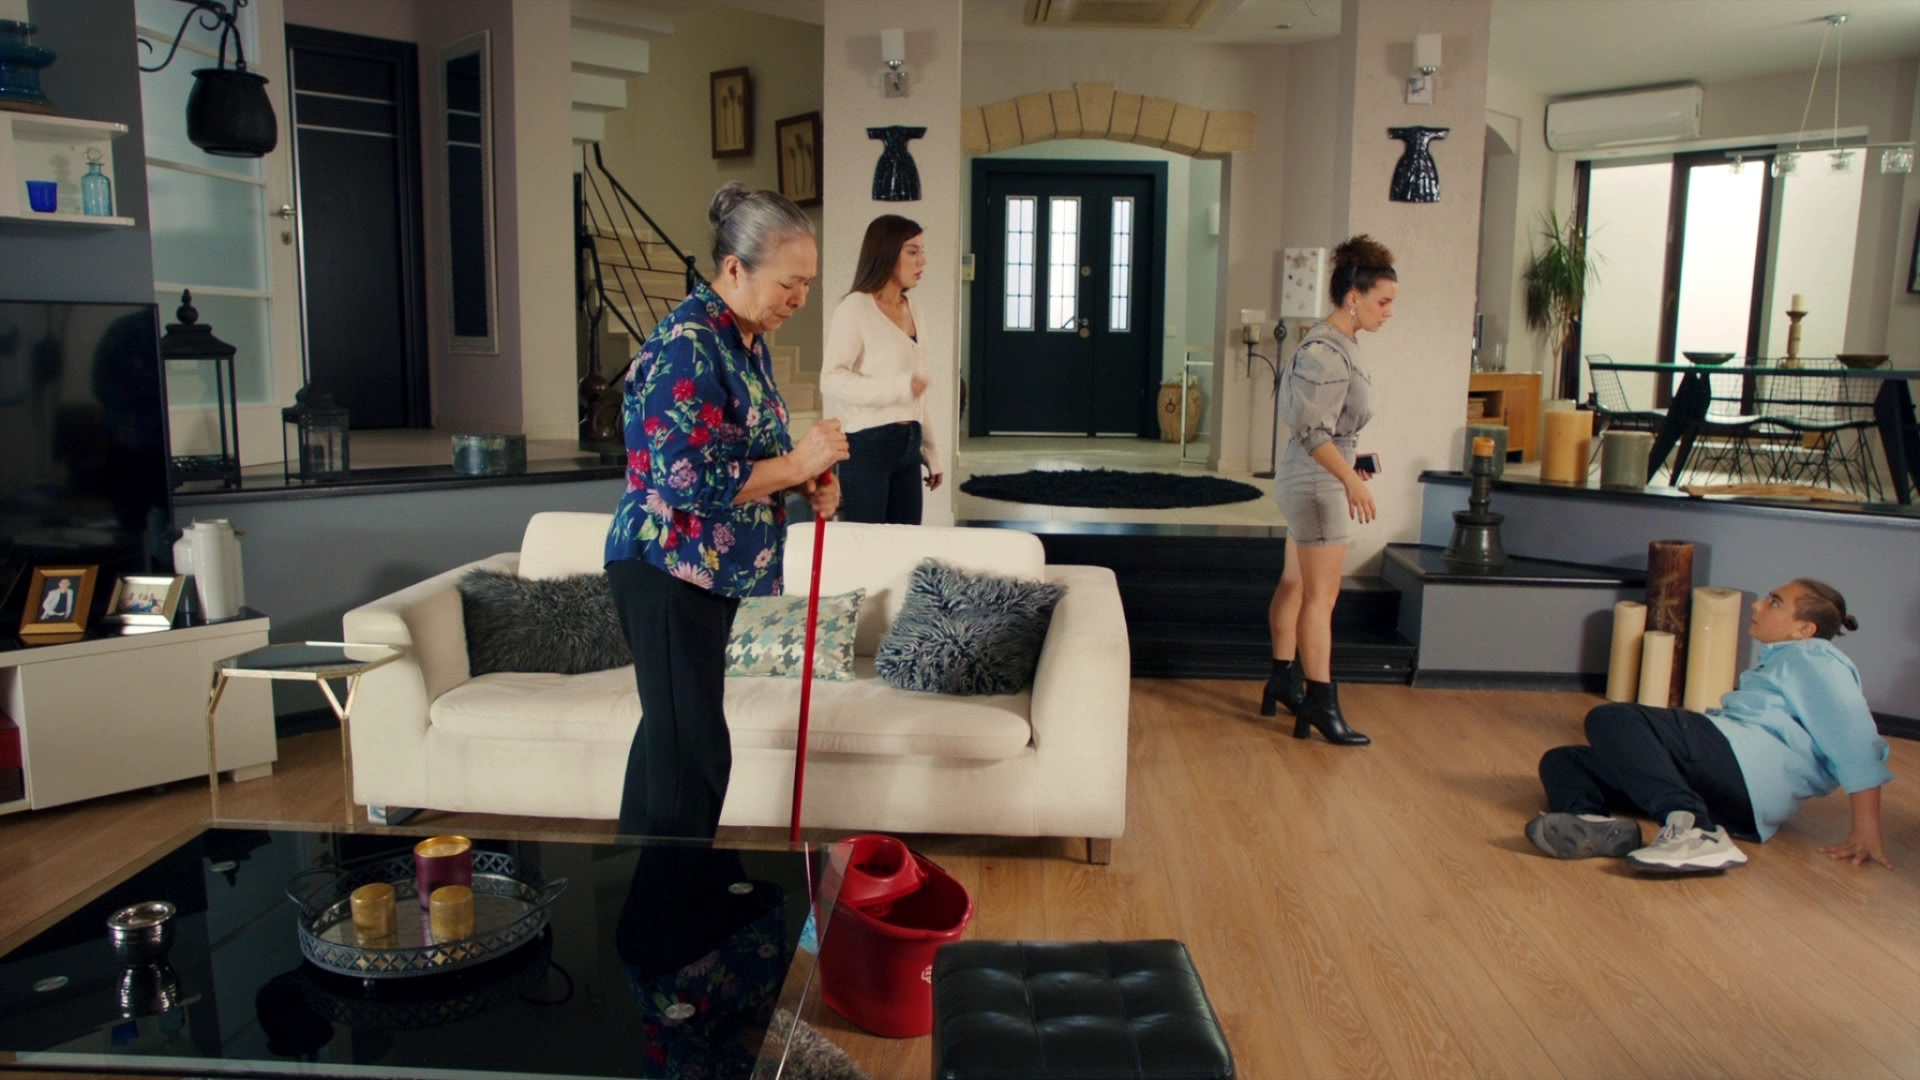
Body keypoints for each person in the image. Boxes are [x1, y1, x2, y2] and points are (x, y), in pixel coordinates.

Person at [603, 180, 850, 840]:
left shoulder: (744, 339)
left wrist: (802, 482)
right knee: (695, 758)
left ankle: (642, 890)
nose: (799, 300)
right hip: (664, 568)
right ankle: (675, 900)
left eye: (807, 284)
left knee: (670, 746)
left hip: (703, 572)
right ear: (735, 269)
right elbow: (684, 477)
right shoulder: (687, 343)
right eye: (789, 283)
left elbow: (742, 457)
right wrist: (794, 465)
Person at [1528, 579, 1894, 874]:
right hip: (1736, 800)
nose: (1758, 606)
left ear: (1804, 629)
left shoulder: (1815, 657)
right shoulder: (1785, 660)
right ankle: (1591, 823)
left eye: (1774, 602)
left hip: (1742, 766)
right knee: (1565, 761)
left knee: (1613, 718)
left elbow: (1856, 740)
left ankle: (1694, 831)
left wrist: (1867, 830)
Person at [1259, 235, 1395, 746]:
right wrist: (1347, 480)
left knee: (1296, 583)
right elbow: (1314, 433)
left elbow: (1322, 430)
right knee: (1322, 597)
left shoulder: (1332, 344)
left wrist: (1350, 464)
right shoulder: (1326, 352)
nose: (1389, 312)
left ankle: (1282, 679)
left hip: (1311, 477)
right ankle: (1320, 701)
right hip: (1317, 486)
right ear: (1353, 297)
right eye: (1383, 301)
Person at [820, 214, 941, 524]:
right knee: (868, 545)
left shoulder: (915, 310)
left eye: (922, 251)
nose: (922, 261)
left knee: (906, 544)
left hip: (909, 445)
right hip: (867, 447)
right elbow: (831, 379)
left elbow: (918, 391)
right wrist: (898, 387)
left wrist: (931, 451)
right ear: (886, 253)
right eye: (912, 252)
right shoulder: (855, 307)